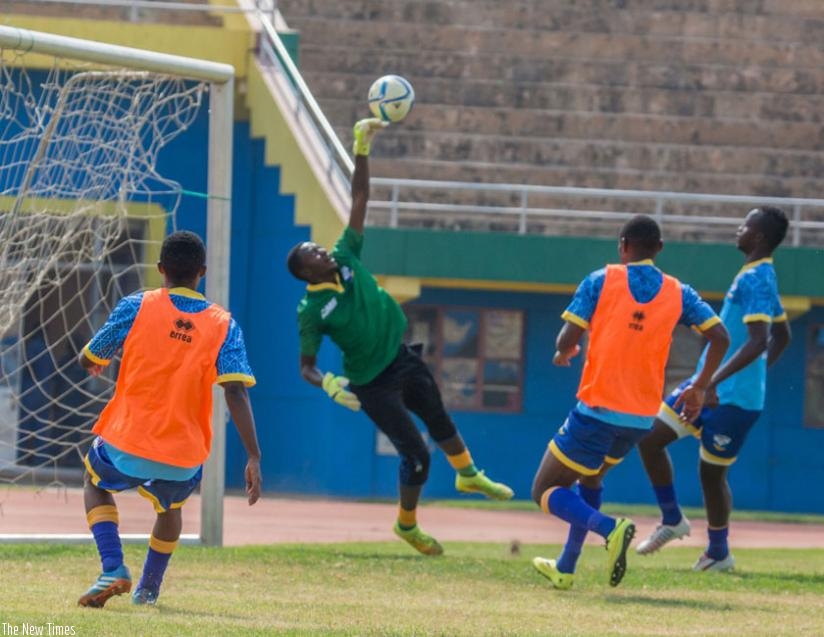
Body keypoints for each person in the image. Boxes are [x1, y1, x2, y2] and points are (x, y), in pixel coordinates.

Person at [286, 119, 514, 556]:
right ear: (305, 273)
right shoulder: (310, 309)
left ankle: (468, 474)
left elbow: (360, 196)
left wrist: (361, 148)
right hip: (372, 383)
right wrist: (328, 384)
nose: (321, 250)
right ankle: (407, 526)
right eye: (312, 253)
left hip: (400, 357)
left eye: (319, 246)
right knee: (418, 457)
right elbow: (306, 366)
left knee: (440, 418)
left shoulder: (345, 256)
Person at [531, 214, 729, 589]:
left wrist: (566, 349)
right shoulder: (679, 292)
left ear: (623, 245)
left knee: (543, 491)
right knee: (591, 476)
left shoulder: (602, 279)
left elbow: (566, 337)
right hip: (640, 419)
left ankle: (610, 528)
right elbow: (719, 336)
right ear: (659, 249)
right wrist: (700, 386)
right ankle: (566, 567)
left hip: (598, 409)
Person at [77, 231, 262, 607]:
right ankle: (147, 590)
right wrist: (254, 456)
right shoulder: (223, 324)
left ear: (161, 269)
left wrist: (97, 363)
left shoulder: (136, 305)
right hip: (183, 456)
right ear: (203, 272)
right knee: (170, 508)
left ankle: (113, 567)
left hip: (127, 443)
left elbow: (91, 357)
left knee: (93, 482)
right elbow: (236, 391)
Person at [636, 206, 791, 571]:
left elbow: (760, 340)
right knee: (650, 437)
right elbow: (782, 335)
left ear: (760, 237)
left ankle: (719, 553)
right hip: (708, 386)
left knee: (711, 473)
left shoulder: (758, 278)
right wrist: (722, 380)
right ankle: (672, 519)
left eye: (746, 225)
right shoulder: (756, 275)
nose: (739, 229)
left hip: (731, 399)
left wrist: (716, 382)